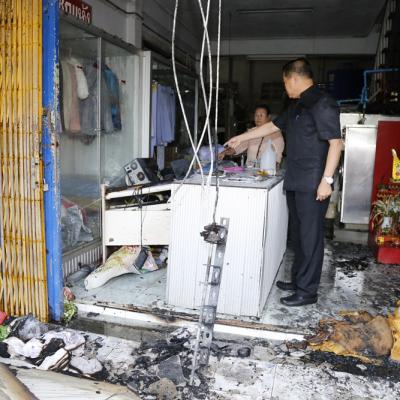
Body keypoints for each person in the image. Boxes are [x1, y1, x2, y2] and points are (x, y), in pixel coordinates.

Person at [225, 58, 342, 307]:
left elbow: (336, 143)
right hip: (296, 179)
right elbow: (271, 126)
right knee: (298, 236)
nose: (285, 87)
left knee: (310, 237)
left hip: (313, 182)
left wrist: (327, 180)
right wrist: (241, 137)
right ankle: (299, 280)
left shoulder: (323, 102)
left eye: (285, 82)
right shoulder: (298, 105)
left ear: (294, 78)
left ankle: (307, 291)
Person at [218, 105, 284, 167]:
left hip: (266, 171)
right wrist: (224, 152)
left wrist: (271, 169)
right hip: (250, 170)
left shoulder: (275, 133)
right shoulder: (250, 132)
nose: (258, 118)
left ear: (268, 117)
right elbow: (238, 147)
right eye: (256, 115)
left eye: (261, 115)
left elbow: (278, 157)